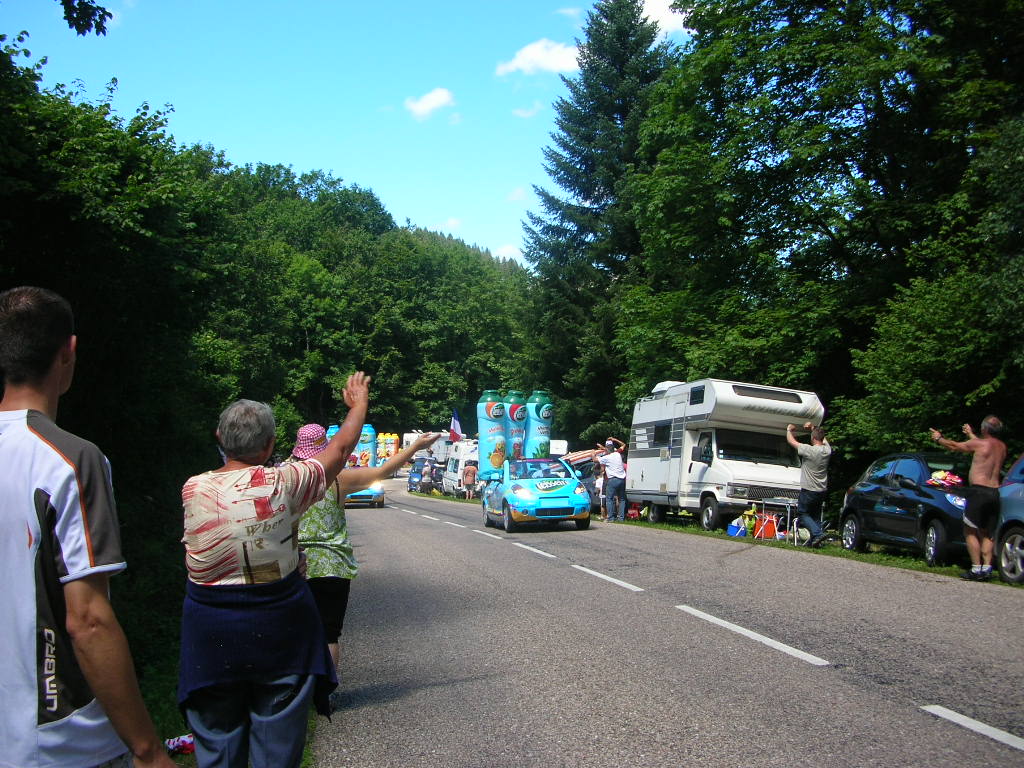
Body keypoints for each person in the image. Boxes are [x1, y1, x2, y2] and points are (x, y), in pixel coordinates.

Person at [0, 286, 175, 768]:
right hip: (58, 742)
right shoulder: (72, 460)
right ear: (68, 352)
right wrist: (147, 749)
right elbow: (88, 620)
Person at [178, 373, 370, 768]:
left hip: (209, 635)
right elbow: (341, 447)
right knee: (278, 749)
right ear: (269, 446)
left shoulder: (193, 489)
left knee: (218, 746)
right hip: (280, 632)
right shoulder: (286, 482)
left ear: (219, 437)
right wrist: (358, 406)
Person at [290, 426, 440, 707]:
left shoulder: (284, 479)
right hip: (332, 565)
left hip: (293, 566)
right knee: (329, 632)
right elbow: (380, 472)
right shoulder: (336, 480)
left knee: (296, 630)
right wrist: (415, 447)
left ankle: (295, 693)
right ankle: (325, 694)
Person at [930, 416, 1007, 581]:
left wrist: (939, 438)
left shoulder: (980, 444)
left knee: (970, 530)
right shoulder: (1001, 446)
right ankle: (987, 568)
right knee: (987, 532)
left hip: (978, 492)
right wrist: (971, 434)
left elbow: (954, 446)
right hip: (994, 493)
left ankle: (975, 568)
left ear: (985, 429)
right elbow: (982, 447)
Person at [785, 421, 832, 548]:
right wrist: (813, 428)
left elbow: (792, 442)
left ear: (813, 438)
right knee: (815, 516)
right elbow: (823, 439)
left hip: (809, 489)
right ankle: (815, 542)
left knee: (803, 513)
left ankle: (818, 534)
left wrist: (789, 430)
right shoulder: (827, 450)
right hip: (821, 490)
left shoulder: (809, 450)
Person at [594, 436, 627, 522]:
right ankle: (621, 518)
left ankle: (611, 518)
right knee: (622, 499)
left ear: (606, 449)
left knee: (609, 498)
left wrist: (592, 453)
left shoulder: (606, 457)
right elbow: (623, 445)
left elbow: (595, 460)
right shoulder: (618, 453)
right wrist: (615, 439)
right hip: (622, 479)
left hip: (612, 480)